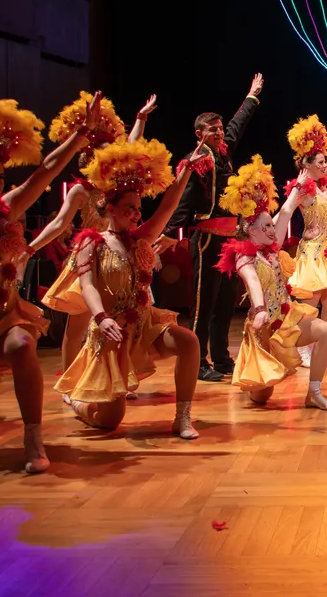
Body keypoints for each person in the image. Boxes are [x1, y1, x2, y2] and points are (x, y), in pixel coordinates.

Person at [0, 79, 103, 472]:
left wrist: (81, 135)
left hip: (7, 317)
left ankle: (33, 438)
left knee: (21, 344)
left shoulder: (6, 210)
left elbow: (45, 171)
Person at [56, 137, 207, 437]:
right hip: (111, 332)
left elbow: (167, 208)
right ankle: (81, 405)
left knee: (189, 342)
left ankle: (182, 417)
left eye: (138, 208)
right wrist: (101, 317)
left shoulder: (139, 239)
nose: (136, 214)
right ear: (110, 209)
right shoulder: (91, 244)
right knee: (110, 421)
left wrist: (186, 171)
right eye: (129, 208)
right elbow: (88, 287)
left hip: (144, 326)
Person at [32, 92, 157, 375]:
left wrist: (140, 119)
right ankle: (69, 380)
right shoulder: (81, 190)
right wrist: (31, 248)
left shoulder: (119, 191)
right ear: (89, 158)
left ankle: (120, 376)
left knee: (128, 318)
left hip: (120, 256)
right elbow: (58, 224)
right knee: (77, 326)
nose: (111, 159)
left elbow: (131, 145)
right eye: (102, 155)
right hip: (90, 257)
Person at [215, 157, 327, 410]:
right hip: (264, 327)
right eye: (267, 226)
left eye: (272, 225)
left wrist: (298, 187)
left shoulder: (272, 248)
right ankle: (255, 376)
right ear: (251, 230)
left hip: (286, 319)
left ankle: (314, 392)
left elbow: (286, 212)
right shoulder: (244, 258)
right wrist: (260, 309)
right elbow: (253, 283)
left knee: (325, 331)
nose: (273, 230)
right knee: (261, 397)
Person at [168, 74, 264, 382]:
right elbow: (183, 200)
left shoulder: (224, 151)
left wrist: (251, 96)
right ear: (199, 134)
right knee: (204, 304)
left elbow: (237, 125)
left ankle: (222, 359)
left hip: (230, 241)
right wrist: (169, 233)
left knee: (225, 303)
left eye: (220, 128)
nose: (220, 132)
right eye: (213, 130)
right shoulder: (196, 161)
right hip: (207, 240)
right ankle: (197, 362)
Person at [285, 115, 327, 363]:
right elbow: (286, 210)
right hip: (312, 252)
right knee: (309, 304)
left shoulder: (323, 184)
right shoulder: (304, 189)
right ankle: (302, 348)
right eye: (320, 162)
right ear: (308, 165)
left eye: (324, 162)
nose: (325, 165)